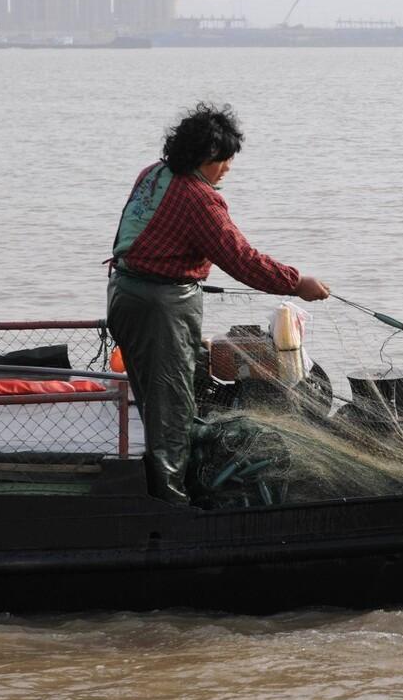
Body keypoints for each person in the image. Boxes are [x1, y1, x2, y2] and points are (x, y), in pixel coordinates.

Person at [107, 102, 331, 505]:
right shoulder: (198, 198)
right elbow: (241, 259)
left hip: (126, 294)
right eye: (223, 160)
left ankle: (180, 481)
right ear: (203, 158)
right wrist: (298, 283)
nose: (227, 168)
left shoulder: (153, 175)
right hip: (160, 308)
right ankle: (172, 506)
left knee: (167, 395)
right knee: (170, 410)